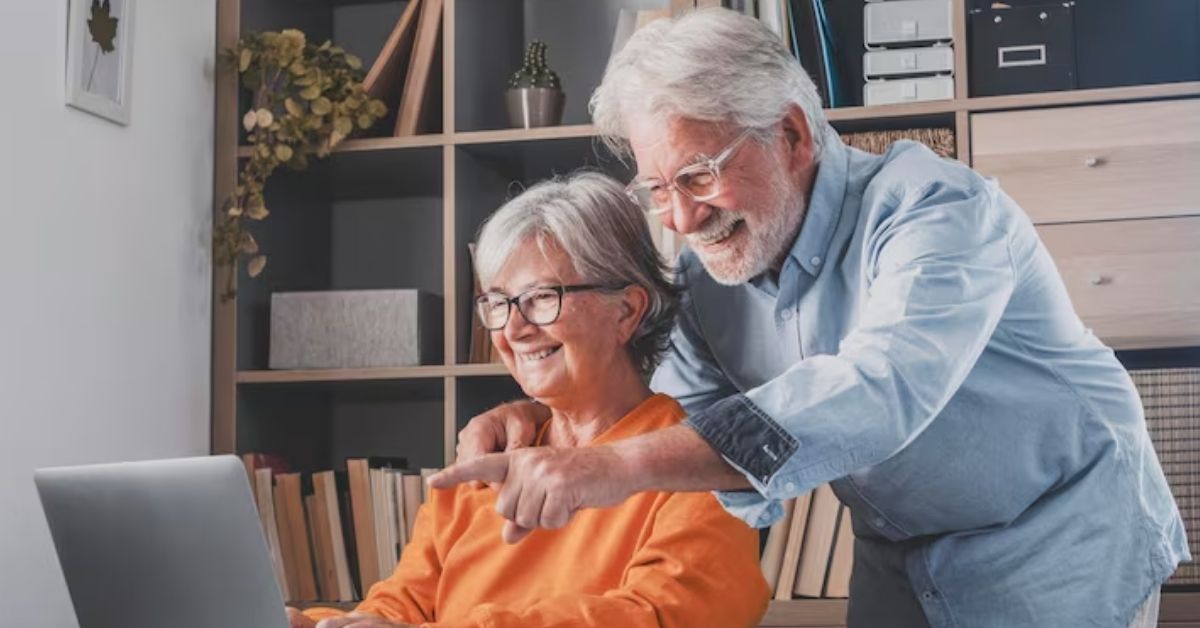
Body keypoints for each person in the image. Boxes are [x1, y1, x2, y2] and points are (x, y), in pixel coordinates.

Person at [432, 9, 1189, 628]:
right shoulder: (705, 283)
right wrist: (539, 418)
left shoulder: (936, 210)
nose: (684, 217)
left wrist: (609, 467)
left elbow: (880, 387)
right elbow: (672, 425)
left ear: (791, 135)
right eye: (657, 188)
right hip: (900, 548)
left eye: (698, 174)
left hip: (1055, 532)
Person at [287, 172, 770, 628]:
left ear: (626, 310)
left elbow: (660, 616)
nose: (514, 329)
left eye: (541, 297)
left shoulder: (694, 468)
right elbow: (401, 605)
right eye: (497, 302)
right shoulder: (486, 457)